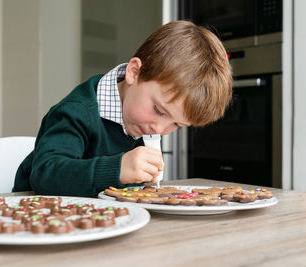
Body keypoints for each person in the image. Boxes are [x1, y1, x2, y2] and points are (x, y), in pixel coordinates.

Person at [13, 20, 233, 197]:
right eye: (159, 110)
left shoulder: (144, 122)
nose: (160, 128)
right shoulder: (77, 111)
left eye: (177, 124)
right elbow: (45, 174)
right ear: (134, 72)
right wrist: (118, 169)